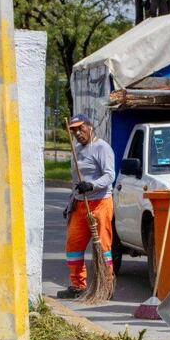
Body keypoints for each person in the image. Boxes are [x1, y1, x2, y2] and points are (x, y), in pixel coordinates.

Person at [58, 113, 115, 299]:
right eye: (74, 130)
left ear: (90, 126)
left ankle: (106, 285)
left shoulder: (102, 148)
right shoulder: (77, 149)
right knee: (73, 245)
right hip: (80, 204)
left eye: (81, 128)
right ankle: (77, 285)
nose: (78, 133)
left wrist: (91, 185)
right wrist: (73, 197)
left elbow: (109, 175)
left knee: (103, 246)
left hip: (100, 203)